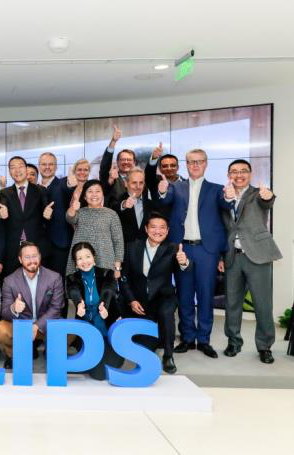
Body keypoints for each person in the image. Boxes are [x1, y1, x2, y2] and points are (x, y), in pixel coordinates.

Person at [158, 148, 231, 358]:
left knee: (206, 296)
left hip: (207, 250)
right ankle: (188, 338)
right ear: (187, 165)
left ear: (206, 163)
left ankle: (204, 340)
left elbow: (226, 204)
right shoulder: (175, 187)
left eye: (199, 161)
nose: (195, 165)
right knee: (185, 295)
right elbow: (164, 200)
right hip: (182, 249)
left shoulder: (217, 189)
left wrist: (229, 196)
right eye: (191, 162)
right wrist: (162, 191)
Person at [221, 160, 282, 364]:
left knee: (262, 304)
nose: (239, 175)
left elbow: (267, 202)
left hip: (258, 256)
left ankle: (264, 346)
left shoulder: (258, 193)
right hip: (233, 256)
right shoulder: (223, 196)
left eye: (243, 171)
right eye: (234, 171)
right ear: (229, 175)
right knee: (231, 303)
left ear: (250, 173)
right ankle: (233, 341)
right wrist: (221, 256)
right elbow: (222, 228)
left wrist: (268, 196)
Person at [119, 213, 190, 374]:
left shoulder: (173, 249)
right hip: (139, 301)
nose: (158, 231)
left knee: (166, 313)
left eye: (162, 227)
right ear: (146, 229)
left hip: (163, 297)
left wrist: (184, 262)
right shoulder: (132, 247)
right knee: (146, 345)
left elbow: (185, 269)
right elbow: (124, 278)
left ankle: (168, 355)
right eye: (153, 227)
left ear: (167, 230)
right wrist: (131, 300)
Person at [0, 242, 64, 369]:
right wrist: (13, 308)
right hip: (22, 325)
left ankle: (49, 350)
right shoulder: (9, 281)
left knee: (70, 334)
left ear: (40, 257)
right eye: (27, 257)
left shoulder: (54, 278)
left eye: (34, 256)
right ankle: (12, 354)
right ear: (20, 259)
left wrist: (36, 326)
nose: (32, 260)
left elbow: (56, 308)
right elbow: (4, 312)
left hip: (44, 325)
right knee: (0, 330)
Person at [65, 242, 123, 380]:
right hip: (87, 334)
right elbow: (73, 290)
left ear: (94, 257)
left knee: (105, 372)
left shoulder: (107, 273)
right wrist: (79, 303)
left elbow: (109, 289)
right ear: (76, 263)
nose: (84, 261)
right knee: (96, 373)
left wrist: (104, 305)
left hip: (107, 331)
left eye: (87, 256)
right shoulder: (71, 278)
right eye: (80, 258)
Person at [0, 156, 51, 276]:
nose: (17, 170)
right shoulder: (5, 193)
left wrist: (48, 216)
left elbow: (47, 216)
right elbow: (3, 209)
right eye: (13, 167)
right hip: (14, 250)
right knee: (13, 283)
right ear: (9, 172)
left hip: (37, 247)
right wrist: (2, 213)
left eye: (20, 166)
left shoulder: (40, 190)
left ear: (27, 169)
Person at [66, 179, 124, 279]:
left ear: (103, 194)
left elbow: (118, 241)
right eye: (90, 191)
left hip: (105, 261)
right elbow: (69, 218)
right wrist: (73, 208)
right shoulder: (79, 212)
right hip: (81, 261)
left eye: (97, 191)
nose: (94, 194)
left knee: (104, 287)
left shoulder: (111, 214)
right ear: (85, 196)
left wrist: (117, 267)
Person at [39, 152, 74, 279]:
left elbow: (70, 190)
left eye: (51, 164)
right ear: (39, 166)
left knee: (60, 281)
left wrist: (72, 185)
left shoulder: (63, 184)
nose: (47, 167)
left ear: (56, 166)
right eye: (44, 164)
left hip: (60, 244)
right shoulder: (34, 189)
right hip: (39, 245)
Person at [111, 168, 158, 243]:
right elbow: (116, 207)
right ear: (126, 183)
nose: (138, 186)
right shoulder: (117, 200)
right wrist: (124, 204)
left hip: (146, 247)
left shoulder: (151, 204)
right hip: (125, 247)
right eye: (134, 183)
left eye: (141, 183)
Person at [99, 125, 136, 204]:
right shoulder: (111, 178)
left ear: (134, 162)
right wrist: (113, 141)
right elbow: (105, 166)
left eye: (129, 160)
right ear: (117, 162)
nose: (126, 162)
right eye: (122, 159)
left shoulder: (139, 179)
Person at [145, 143, 184, 217]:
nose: (169, 168)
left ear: (178, 167)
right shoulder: (154, 182)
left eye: (172, 165)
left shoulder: (187, 184)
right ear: (160, 168)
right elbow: (149, 174)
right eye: (165, 166)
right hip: (160, 222)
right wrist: (154, 158)